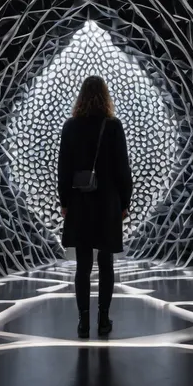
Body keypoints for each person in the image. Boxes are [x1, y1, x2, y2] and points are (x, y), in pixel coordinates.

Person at [58, 76, 133, 339]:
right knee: (106, 263)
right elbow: (123, 168)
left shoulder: (70, 127)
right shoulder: (113, 127)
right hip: (107, 202)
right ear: (105, 96)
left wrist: (64, 201)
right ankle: (103, 319)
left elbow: (63, 169)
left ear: (81, 97)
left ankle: (82, 323)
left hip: (80, 202)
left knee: (83, 266)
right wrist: (125, 202)